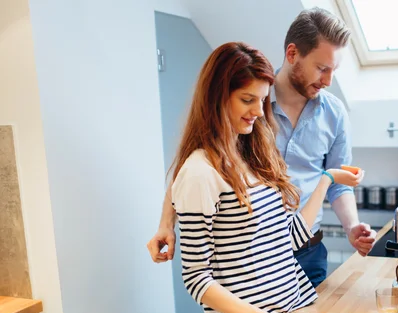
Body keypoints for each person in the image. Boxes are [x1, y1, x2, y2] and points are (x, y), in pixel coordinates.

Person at [148, 7, 376, 288]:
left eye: (334, 71)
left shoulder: (335, 113)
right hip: (249, 257)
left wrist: (352, 227)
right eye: (321, 68)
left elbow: (339, 183)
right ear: (292, 54)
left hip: (309, 252)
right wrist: (166, 222)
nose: (328, 81)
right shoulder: (248, 105)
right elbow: (195, 162)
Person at [168, 41, 363, 313]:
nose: (259, 111)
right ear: (217, 97)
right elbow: (196, 277)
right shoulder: (200, 172)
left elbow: (288, 237)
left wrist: (327, 178)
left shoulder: (253, 157)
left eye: (261, 100)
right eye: (247, 100)